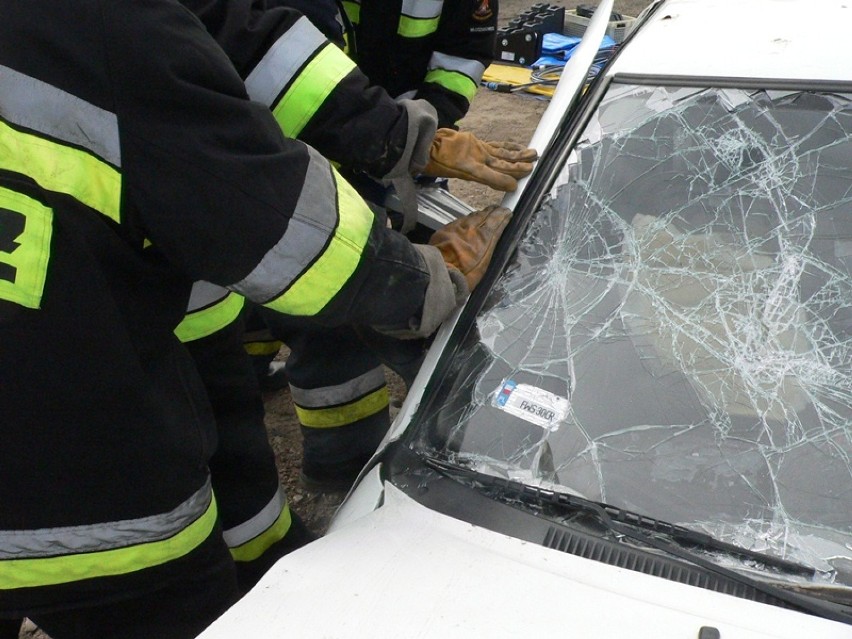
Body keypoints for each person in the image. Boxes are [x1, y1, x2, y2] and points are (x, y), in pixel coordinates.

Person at [0, 1, 510, 637]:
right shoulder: (109, 32)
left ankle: (272, 555)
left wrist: (405, 135)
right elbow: (287, 234)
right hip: (88, 510)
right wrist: (426, 278)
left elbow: (251, 38)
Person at [180, 0, 535, 491]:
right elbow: (262, 56)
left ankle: (406, 450)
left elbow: (462, 57)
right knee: (327, 315)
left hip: (385, 135)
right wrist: (397, 138)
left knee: (338, 300)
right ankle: (343, 470)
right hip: (293, 142)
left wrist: (423, 133)